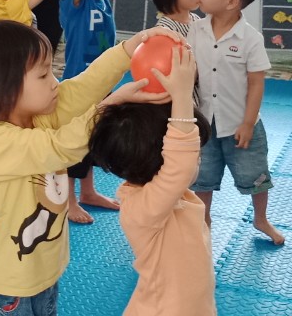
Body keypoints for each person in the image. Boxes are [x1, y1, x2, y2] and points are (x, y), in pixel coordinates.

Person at [0, 20, 170, 315]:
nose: (55, 81)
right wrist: (108, 107)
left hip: (44, 274)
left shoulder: (41, 115)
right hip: (6, 286)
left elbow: (85, 86)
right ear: (5, 91)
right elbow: (61, 147)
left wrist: (128, 50)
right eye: (43, 74)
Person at [89, 47, 216, 316]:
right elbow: (180, 165)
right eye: (196, 155)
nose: (197, 160)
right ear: (162, 162)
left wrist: (116, 102)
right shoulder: (143, 210)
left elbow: (178, 165)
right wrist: (181, 96)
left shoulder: (168, 197)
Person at [188, 0, 283, 246]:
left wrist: (248, 123)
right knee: (202, 177)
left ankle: (261, 218)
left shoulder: (250, 38)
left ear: (231, 2)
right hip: (204, 122)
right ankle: (203, 220)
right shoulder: (195, 29)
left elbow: (256, 82)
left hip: (241, 123)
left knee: (255, 174)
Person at [53, 0, 123, 224]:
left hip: (101, 86)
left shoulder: (102, 2)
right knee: (74, 145)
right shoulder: (75, 0)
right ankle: (68, 201)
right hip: (78, 86)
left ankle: (89, 192)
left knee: (92, 141)